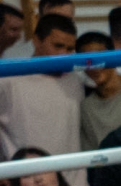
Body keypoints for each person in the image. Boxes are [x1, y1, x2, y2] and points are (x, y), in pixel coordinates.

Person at [0, 14, 82, 163]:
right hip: (25, 173)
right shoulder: (8, 80)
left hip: (73, 174)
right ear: (37, 41)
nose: (63, 54)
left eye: (70, 49)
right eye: (58, 46)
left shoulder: (76, 80)